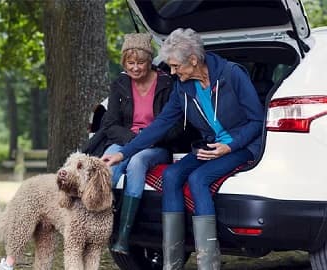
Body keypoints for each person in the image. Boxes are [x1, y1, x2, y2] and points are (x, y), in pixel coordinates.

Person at [102, 28, 264, 270]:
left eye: (177, 66)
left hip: (243, 144)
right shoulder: (183, 87)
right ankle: (173, 262)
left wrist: (229, 147)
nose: (173, 71)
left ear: (194, 60)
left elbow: (257, 121)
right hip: (210, 145)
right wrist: (124, 153)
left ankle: (208, 263)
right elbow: (160, 125)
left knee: (198, 178)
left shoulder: (232, 75)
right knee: (171, 174)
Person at [101, 33, 182, 255]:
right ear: (124, 63)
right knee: (105, 166)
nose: (135, 68)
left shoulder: (167, 83)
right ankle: (104, 227)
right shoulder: (120, 83)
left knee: (137, 162)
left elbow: (174, 126)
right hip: (127, 139)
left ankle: (124, 237)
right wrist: (134, 140)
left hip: (157, 144)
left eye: (140, 63)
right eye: (130, 63)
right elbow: (109, 124)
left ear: (150, 61)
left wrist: (147, 139)